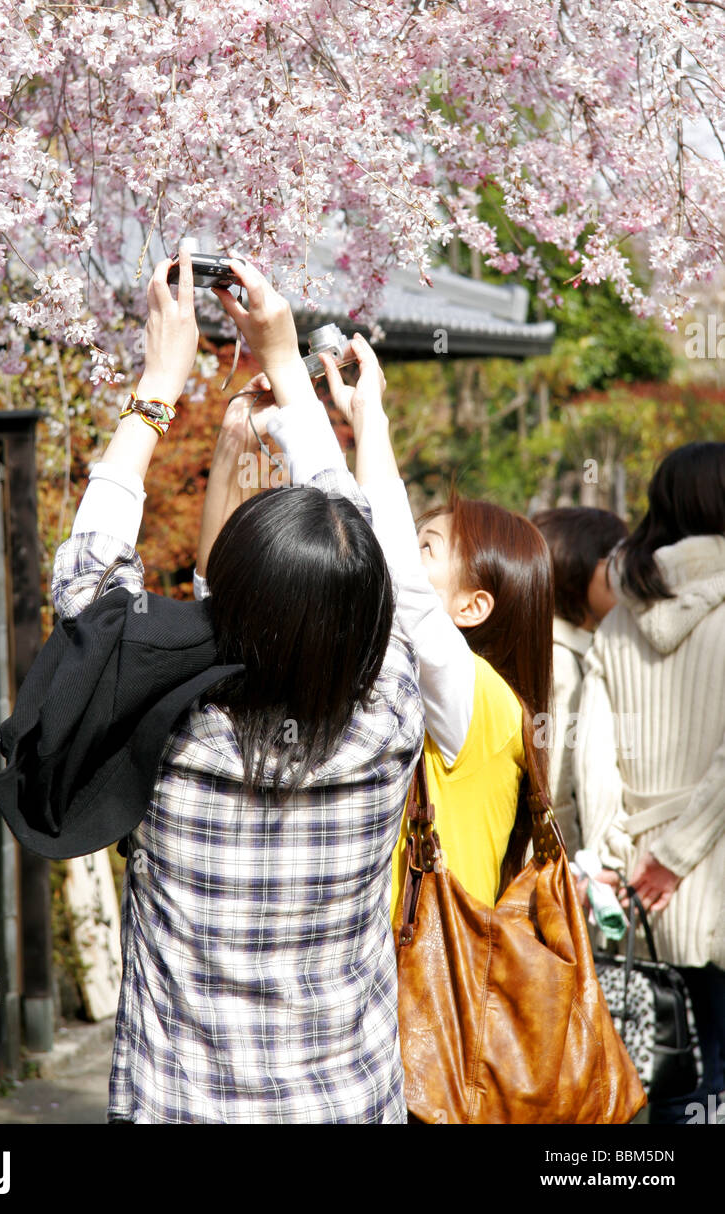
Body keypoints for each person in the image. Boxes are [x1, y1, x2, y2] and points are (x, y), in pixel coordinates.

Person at [51, 247, 424, 1124]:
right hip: (347, 1104)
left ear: (225, 606)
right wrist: (292, 369)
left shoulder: (170, 738)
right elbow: (378, 561)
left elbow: (85, 591)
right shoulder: (391, 720)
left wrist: (159, 381)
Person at [319, 339, 554, 913]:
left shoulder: (480, 700)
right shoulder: (418, 686)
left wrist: (370, 418)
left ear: (472, 608)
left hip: (426, 989)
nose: (405, 551)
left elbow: (393, 576)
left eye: (427, 547)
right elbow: (358, 548)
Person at [575, 442, 725, 1125]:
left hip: (633, 897)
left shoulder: (614, 624)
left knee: (661, 1084)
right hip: (706, 881)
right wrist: (677, 857)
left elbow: (591, 756)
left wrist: (614, 862)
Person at [533, 507, 628, 859]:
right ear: (579, 565)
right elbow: (557, 791)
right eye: (616, 559)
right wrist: (568, 875)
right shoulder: (564, 662)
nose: (626, 573)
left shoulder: (545, 645)